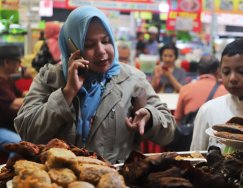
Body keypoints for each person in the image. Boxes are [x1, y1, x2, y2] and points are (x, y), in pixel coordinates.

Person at [14, 6, 176, 164]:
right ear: (73, 47)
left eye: (106, 41)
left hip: (113, 179)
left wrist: (150, 118)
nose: (101, 51)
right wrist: (67, 93)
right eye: (90, 44)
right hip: (60, 178)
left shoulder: (132, 79)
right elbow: (27, 134)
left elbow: (168, 132)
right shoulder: (49, 78)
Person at [174, 55, 227, 123]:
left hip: (192, 132)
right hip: (215, 132)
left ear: (198, 71)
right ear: (218, 71)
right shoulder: (225, 91)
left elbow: (178, 118)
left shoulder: (185, 89)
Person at [0, 45, 22, 154]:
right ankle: (9, 171)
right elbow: (15, 104)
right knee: (20, 147)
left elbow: (22, 94)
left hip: (9, 126)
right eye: (16, 61)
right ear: (6, 62)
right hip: (1, 128)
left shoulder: (7, 79)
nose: (19, 65)